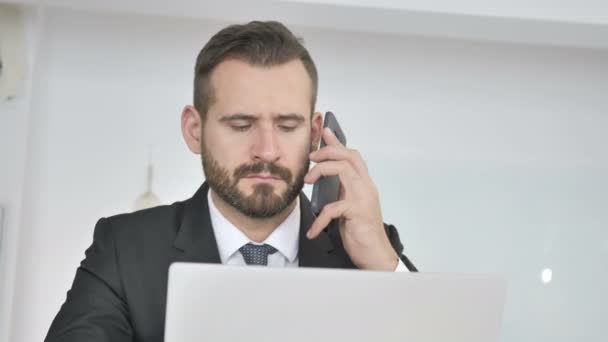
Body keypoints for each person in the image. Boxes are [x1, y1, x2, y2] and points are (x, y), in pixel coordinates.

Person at [45, 20, 417, 342]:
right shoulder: (124, 250)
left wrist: (386, 264)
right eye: (241, 125)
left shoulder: (371, 254)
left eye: (288, 126)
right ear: (195, 130)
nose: (267, 151)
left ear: (315, 133)